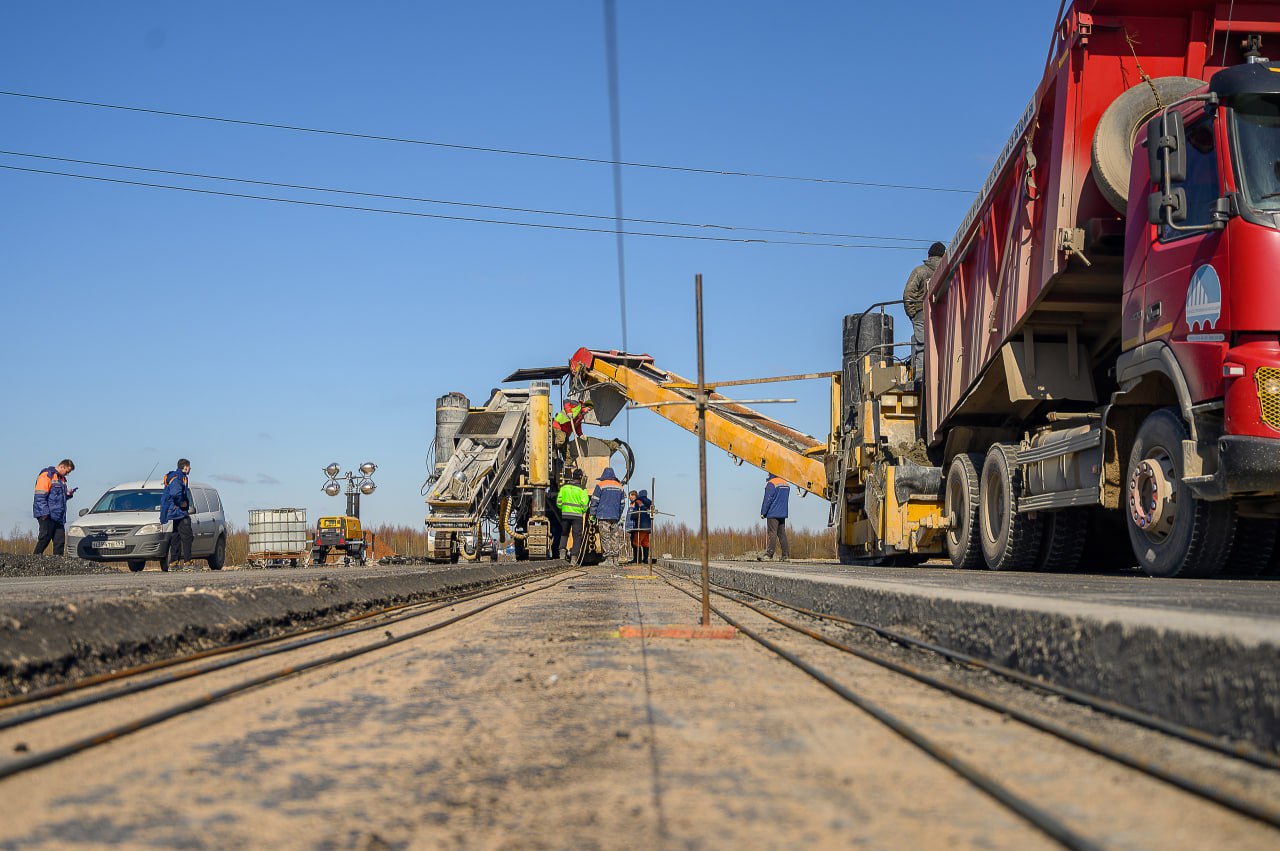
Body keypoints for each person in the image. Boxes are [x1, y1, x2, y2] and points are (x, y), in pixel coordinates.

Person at [903, 241, 945, 376]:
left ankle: (920, 378)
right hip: (944, 313)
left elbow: (908, 293)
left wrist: (913, 313)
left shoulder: (919, 271)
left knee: (922, 346)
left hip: (921, 313)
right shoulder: (947, 270)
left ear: (929, 256)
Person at [33, 459, 76, 556]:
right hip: (47, 515)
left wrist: (68, 494)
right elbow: (40, 496)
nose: (67, 474)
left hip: (59, 516)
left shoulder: (62, 480)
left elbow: (58, 498)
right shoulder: (47, 475)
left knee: (59, 542)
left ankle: (58, 564)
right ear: (62, 467)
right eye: (67, 472)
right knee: (44, 539)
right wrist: (45, 514)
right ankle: (34, 559)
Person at [161, 459, 194, 570]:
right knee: (187, 537)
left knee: (176, 536)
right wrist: (181, 503)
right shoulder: (178, 477)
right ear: (185, 467)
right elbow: (175, 493)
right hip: (179, 511)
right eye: (189, 466)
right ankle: (188, 563)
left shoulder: (177, 476)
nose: (190, 469)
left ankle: (173, 563)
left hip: (175, 512)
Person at [589, 466, 626, 563]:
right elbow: (622, 503)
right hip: (615, 516)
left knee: (606, 537)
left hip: (603, 516)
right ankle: (615, 559)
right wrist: (618, 514)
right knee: (615, 537)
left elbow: (594, 501)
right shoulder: (620, 486)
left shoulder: (600, 485)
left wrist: (592, 514)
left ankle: (608, 559)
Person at [555, 469, 590, 563]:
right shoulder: (582, 489)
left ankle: (562, 553)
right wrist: (582, 511)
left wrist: (563, 509)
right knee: (577, 536)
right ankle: (574, 558)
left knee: (564, 533)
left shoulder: (564, 487)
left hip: (565, 514)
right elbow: (585, 505)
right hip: (577, 516)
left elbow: (558, 502)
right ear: (581, 478)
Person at [759, 472, 791, 562]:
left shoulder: (771, 484)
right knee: (782, 534)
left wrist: (763, 512)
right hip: (782, 513)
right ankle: (786, 555)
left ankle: (769, 554)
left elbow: (767, 499)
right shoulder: (786, 484)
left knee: (772, 533)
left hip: (772, 513)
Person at [625, 489, 653, 565]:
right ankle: (645, 559)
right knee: (645, 543)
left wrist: (632, 515)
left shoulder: (638, 501)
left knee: (636, 542)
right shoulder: (649, 502)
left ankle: (637, 559)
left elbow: (636, 513)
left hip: (640, 525)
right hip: (648, 526)